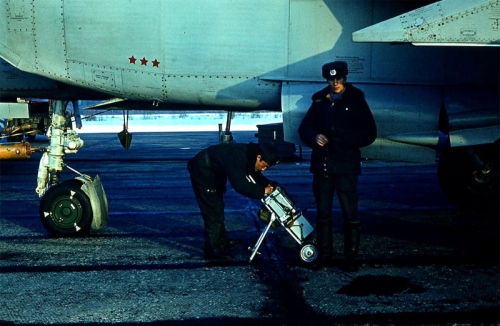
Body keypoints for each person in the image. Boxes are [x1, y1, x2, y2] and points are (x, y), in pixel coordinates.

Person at [298, 61, 377, 271]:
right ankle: (325, 255)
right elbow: (304, 128)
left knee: (350, 213)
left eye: (338, 79)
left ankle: (351, 258)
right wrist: (315, 136)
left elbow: (369, 133)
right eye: (331, 79)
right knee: (323, 213)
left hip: (346, 166)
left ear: (345, 78)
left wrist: (343, 138)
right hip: (323, 166)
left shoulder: (357, 100)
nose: (335, 83)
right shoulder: (319, 101)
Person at [187, 141, 281, 260]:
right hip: (203, 172)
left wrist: (267, 183)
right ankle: (213, 250)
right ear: (259, 157)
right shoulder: (238, 156)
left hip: (214, 172)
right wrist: (263, 191)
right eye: (265, 165)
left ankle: (221, 241)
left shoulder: (250, 154)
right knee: (213, 212)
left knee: (218, 208)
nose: (264, 169)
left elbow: (253, 173)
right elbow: (240, 185)